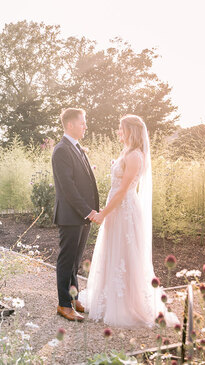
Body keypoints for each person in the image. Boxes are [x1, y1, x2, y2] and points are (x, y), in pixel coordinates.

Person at [81, 114, 179, 327]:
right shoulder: (127, 152)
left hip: (124, 210)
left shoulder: (135, 156)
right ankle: (108, 298)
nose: (118, 132)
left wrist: (103, 213)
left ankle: (125, 304)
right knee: (113, 251)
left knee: (125, 253)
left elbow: (123, 191)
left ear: (131, 132)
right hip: (117, 209)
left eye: (121, 129)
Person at [51, 108, 99, 322]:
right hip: (71, 216)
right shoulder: (61, 150)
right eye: (82, 123)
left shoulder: (77, 148)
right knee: (66, 260)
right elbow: (68, 188)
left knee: (75, 261)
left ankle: (74, 298)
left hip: (82, 216)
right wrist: (87, 211)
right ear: (70, 125)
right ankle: (63, 304)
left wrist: (91, 211)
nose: (85, 126)